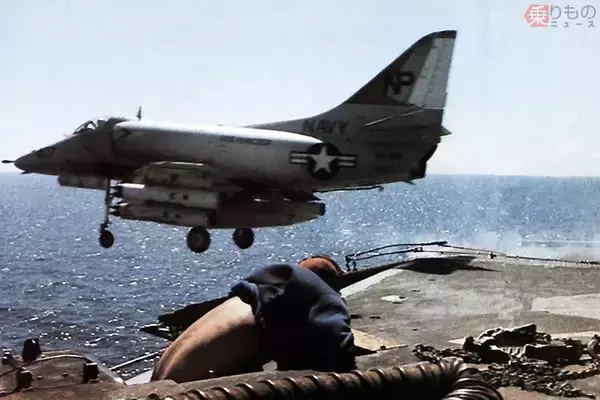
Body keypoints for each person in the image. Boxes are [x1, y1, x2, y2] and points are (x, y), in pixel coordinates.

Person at [151, 255, 355, 383]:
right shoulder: (322, 295)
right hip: (188, 389)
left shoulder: (258, 291)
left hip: (162, 380)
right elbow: (337, 350)